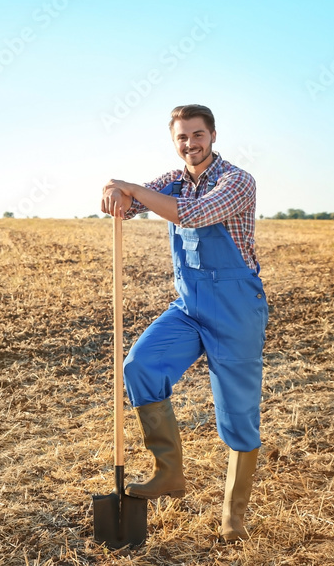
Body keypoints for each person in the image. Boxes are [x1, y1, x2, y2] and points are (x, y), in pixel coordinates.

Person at [100, 104, 267, 542]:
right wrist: (114, 190)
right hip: (189, 306)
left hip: (235, 309)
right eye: (182, 138)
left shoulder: (237, 181)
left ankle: (234, 516)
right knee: (140, 366)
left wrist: (132, 188)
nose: (190, 144)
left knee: (238, 414)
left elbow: (189, 214)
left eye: (197, 135)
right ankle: (168, 472)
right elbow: (132, 201)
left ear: (212, 135)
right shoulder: (172, 181)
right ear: (174, 141)